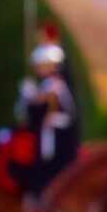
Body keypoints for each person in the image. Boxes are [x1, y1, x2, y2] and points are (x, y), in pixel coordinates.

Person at [12, 27, 80, 199]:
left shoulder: (54, 85)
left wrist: (31, 98)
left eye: (40, 65)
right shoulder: (47, 85)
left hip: (58, 138)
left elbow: (40, 109)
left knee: (52, 172)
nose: (37, 69)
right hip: (47, 136)